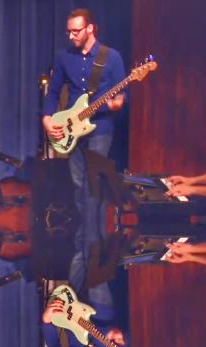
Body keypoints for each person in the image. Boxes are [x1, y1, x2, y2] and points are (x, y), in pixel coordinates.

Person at [41, 9, 126, 208]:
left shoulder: (112, 57)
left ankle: (95, 231)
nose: (71, 36)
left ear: (90, 28)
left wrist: (117, 103)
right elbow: (53, 92)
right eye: (69, 32)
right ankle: (84, 230)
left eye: (76, 31)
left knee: (93, 182)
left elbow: (121, 93)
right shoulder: (64, 57)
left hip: (100, 127)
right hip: (72, 126)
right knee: (78, 183)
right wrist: (47, 118)